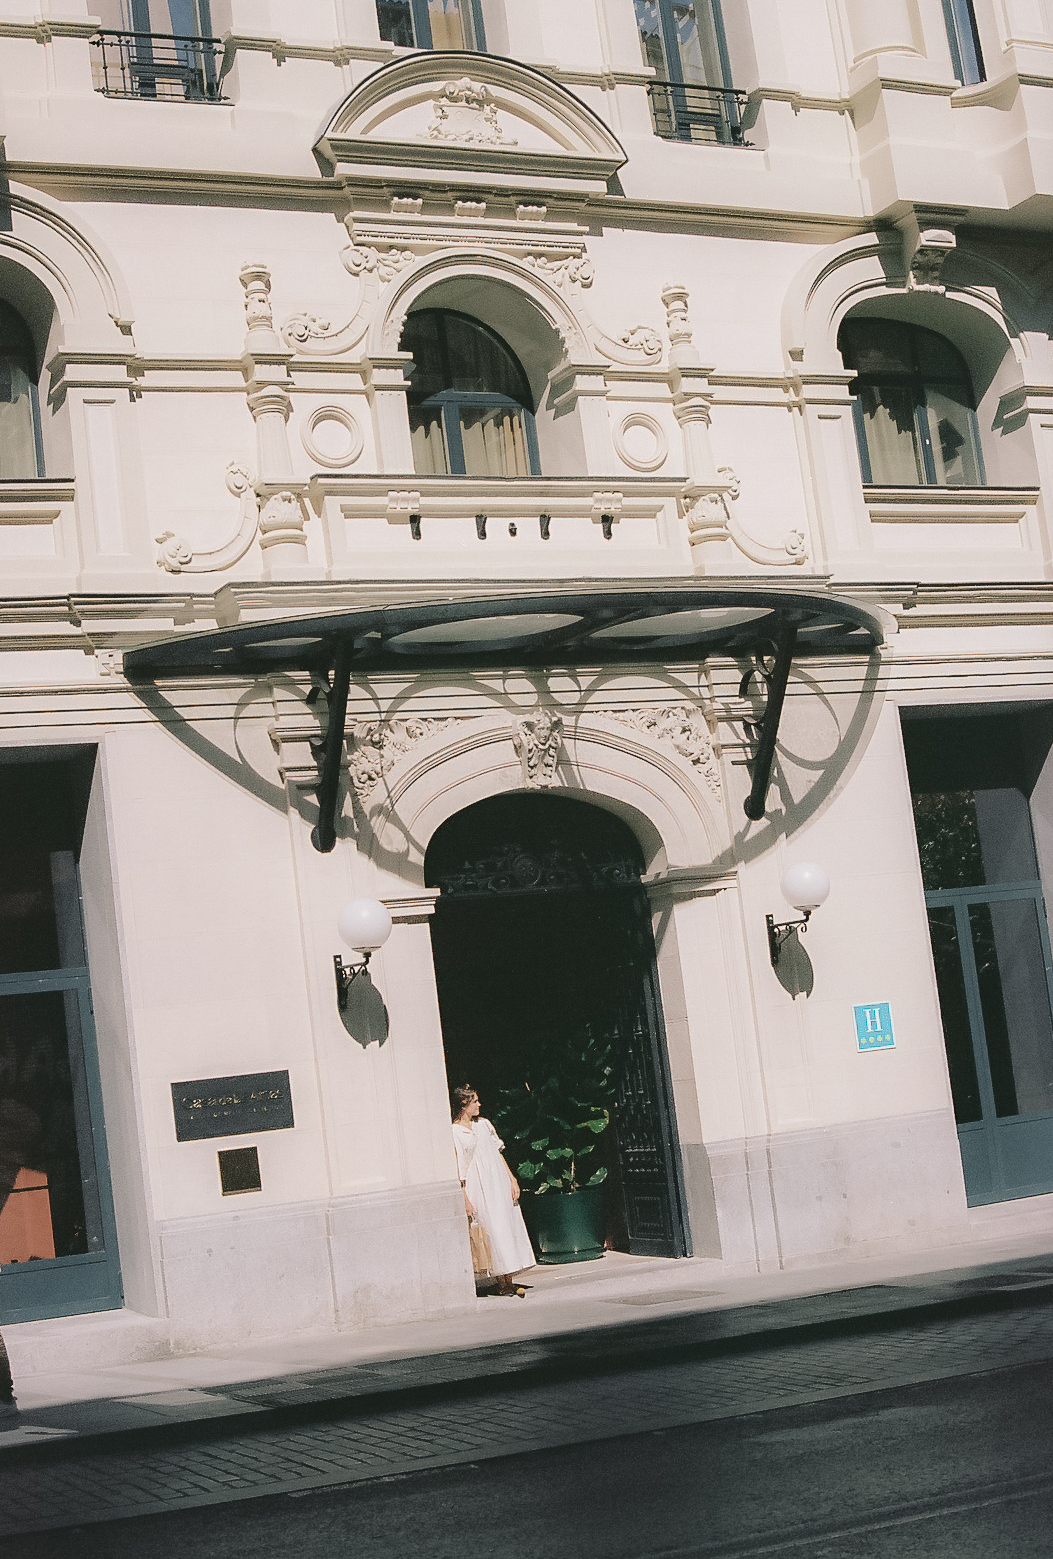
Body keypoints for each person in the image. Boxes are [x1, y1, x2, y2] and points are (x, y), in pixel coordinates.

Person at [451, 1084, 534, 1297]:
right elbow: (460, 1166)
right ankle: (501, 1281)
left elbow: (498, 1153)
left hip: (497, 1180)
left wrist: (511, 1179)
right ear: (464, 1104)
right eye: (474, 1101)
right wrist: (465, 1199)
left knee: (507, 1224)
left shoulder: (484, 1125)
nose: (479, 1104)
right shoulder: (455, 1131)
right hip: (478, 1185)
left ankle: (509, 1278)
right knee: (492, 1229)